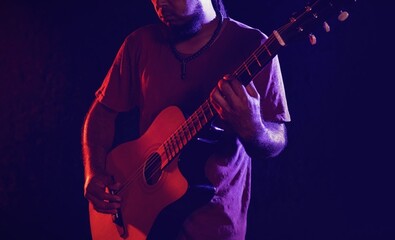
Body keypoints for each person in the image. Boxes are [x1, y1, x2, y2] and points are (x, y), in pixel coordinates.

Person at [82, 0, 290, 239]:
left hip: (215, 228)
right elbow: (101, 112)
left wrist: (254, 128)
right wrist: (94, 172)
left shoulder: (253, 46)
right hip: (142, 225)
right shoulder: (139, 44)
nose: (160, 5)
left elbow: (277, 138)